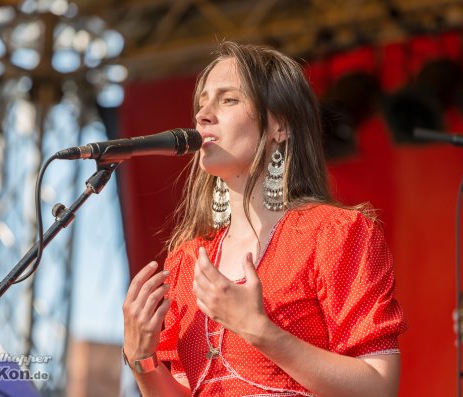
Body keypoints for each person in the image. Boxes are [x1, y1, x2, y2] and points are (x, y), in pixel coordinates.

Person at [122, 41, 407, 397]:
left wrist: (259, 330)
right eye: (202, 103)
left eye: (228, 100)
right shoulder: (187, 259)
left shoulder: (334, 235)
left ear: (280, 126)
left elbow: (378, 387)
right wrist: (142, 360)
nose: (203, 115)